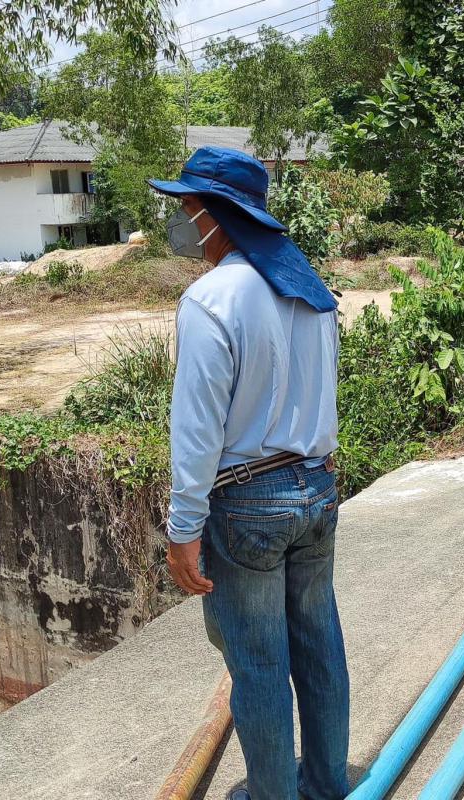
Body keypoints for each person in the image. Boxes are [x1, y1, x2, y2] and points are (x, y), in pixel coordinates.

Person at [150, 146, 350, 800]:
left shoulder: (210, 299)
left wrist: (183, 528)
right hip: (315, 486)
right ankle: (324, 786)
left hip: (248, 503)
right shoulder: (309, 288)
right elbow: (323, 394)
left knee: (259, 663)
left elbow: (197, 428)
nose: (182, 222)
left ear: (215, 214)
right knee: (318, 645)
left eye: (186, 207)